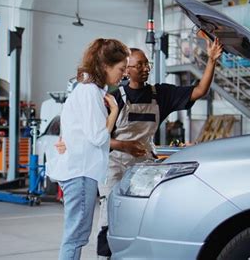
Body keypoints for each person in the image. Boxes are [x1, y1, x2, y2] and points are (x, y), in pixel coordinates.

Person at [95, 38, 223, 258]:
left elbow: (200, 90)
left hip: (143, 167)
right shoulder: (114, 100)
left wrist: (211, 60)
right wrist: (124, 145)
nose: (145, 69)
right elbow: (98, 140)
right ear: (127, 70)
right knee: (111, 217)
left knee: (144, 217)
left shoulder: (161, 94)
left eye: (147, 65)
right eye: (140, 65)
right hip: (114, 165)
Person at [47, 38, 130, 260]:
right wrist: (113, 113)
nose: (123, 74)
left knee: (74, 235)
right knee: (75, 237)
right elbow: (98, 137)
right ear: (105, 66)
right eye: (121, 69)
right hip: (80, 174)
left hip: (78, 172)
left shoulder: (86, 91)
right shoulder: (91, 93)